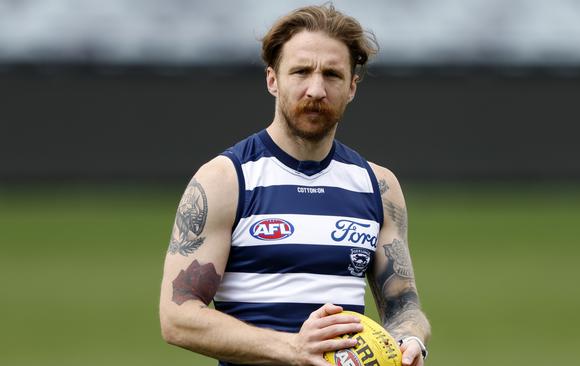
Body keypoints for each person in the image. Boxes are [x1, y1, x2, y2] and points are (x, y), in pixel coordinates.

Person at [159, 4, 431, 366]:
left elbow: (403, 305)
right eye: (301, 71)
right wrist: (292, 349)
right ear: (273, 79)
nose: (316, 89)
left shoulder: (378, 186)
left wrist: (409, 338)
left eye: (332, 75)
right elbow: (177, 318)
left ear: (352, 86)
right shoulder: (226, 180)